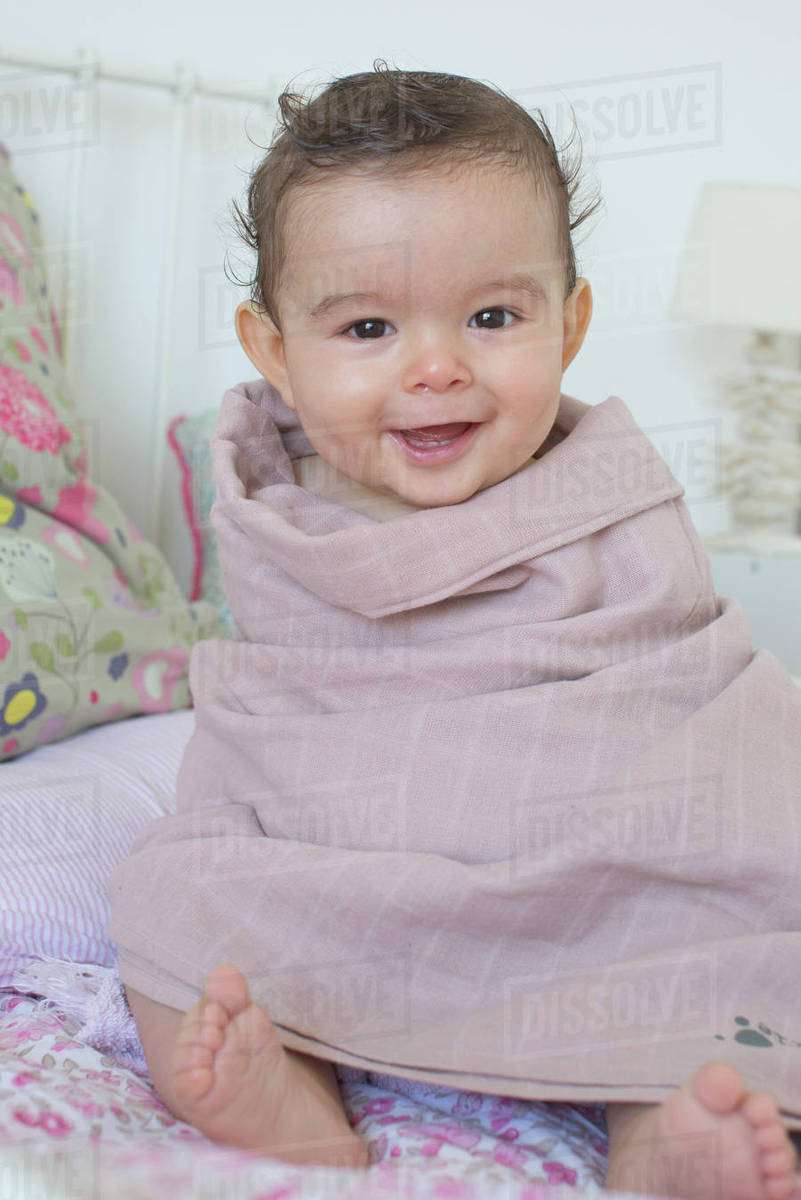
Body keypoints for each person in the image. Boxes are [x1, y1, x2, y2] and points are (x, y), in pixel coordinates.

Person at [116, 65, 801, 1198]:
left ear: (569, 323)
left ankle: (670, 1131)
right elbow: (274, 727)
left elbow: (682, 696)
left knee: (732, 899)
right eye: (369, 326)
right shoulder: (277, 524)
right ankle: (286, 1107)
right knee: (168, 891)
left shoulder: (613, 499)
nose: (436, 366)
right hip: (362, 886)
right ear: (275, 350)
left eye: (493, 316)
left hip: (614, 875)